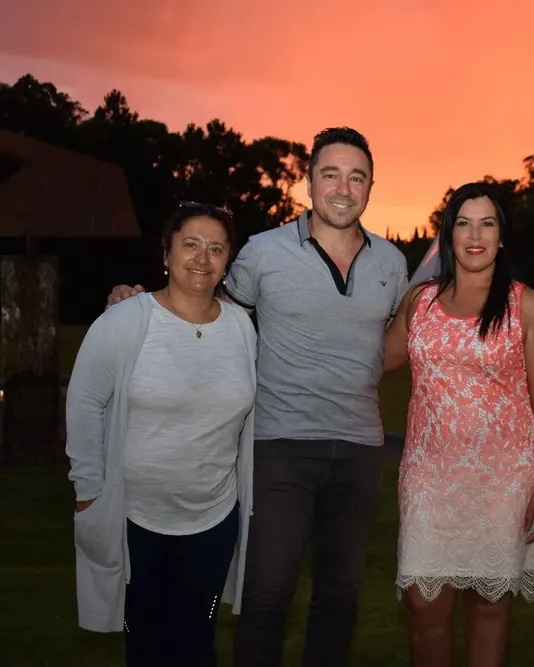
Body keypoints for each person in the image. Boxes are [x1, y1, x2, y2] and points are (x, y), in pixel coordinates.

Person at [105, 127, 409, 667]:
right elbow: (207, 307)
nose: (343, 188)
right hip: (279, 447)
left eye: (356, 176)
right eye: (331, 174)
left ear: (370, 185)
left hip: (360, 450)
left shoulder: (392, 261)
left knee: (340, 597)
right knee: (267, 595)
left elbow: (390, 340)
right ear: (309, 182)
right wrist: (140, 303)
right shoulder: (264, 252)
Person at [66, 202, 258, 667]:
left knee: (197, 640)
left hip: (213, 518)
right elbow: (85, 402)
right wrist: (87, 488)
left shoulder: (241, 327)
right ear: (166, 253)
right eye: (190, 244)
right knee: (144, 643)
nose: (202, 258)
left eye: (216, 248)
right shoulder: (126, 320)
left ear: (227, 262)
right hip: (136, 517)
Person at [383, 182, 534, 667]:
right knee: (424, 603)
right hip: (430, 479)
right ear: (449, 234)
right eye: (464, 224)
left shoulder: (525, 305)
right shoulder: (420, 302)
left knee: (489, 603)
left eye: (487, 223)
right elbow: (375, 359)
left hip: (502, 480)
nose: (475, 235)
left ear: (501, 235)